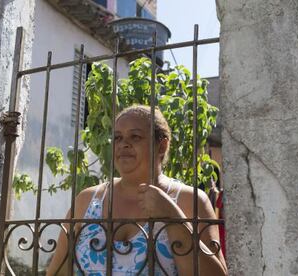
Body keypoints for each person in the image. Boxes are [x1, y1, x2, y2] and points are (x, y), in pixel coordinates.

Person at [47, 105, 228, 275]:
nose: (123, 144)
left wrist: (173, 218)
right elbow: (57, 272)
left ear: (162, 145)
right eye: (118, 137)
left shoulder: (190, 200)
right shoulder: (87, 200)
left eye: (135, 137)